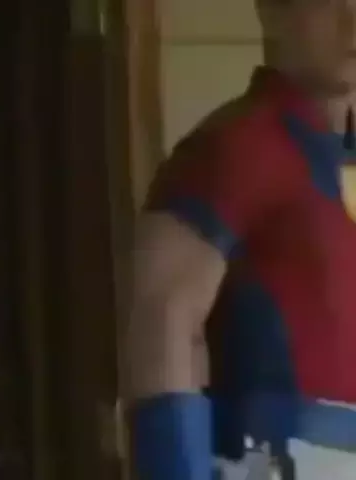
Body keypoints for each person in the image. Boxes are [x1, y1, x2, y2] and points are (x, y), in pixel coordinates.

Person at [124, 0, 356, 478]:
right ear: (272, 12)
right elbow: (163, 318)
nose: (352, 19)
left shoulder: (338, 157)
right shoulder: (235, 146)